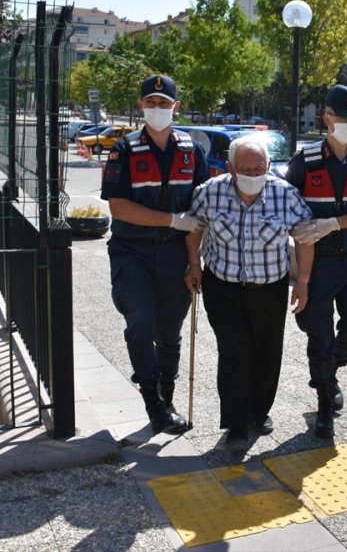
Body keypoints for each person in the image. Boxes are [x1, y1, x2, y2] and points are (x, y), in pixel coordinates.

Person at [185, 136, 314, 453]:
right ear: (230, 167)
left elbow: (306, 238)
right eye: (245, 168)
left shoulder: (285, 195)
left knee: (266, 353)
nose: (253, 173)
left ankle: (259, 410)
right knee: (235, 350)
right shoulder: (209, 193)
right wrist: (193, 264)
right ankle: (237, 425)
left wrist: (304, 281)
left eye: (259, 167)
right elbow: (194, 228)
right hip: (222, 287)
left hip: (269, 288)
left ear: (268, 166)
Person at [100, 75, 208, 437]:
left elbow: (198, 215)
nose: (158, 109)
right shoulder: (124, 149)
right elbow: (119, 207)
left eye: (164, 103)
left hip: (176, 253)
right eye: (152, 102)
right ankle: (153, 401)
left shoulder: (192, 151)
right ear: (140, 105)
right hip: (133, 252)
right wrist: (170, 219)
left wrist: (195, 263)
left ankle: (168, 397)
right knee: (140, 322)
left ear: (176, 107)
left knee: (170, 332)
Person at [288, 84, 347, 439]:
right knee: (319, 333)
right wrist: (301, 276)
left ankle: (327, 373)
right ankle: (325, 403)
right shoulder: (305, 160)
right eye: (342, 117)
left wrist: (334, 223)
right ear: (326, 118)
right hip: (319, 263)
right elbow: (293, 213)